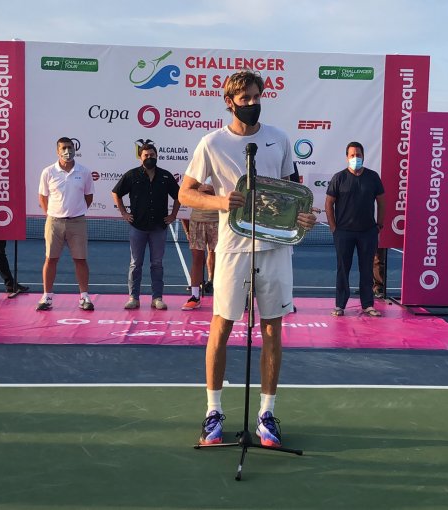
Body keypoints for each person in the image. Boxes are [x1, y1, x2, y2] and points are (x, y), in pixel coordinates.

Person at [180, 69, 317, 448]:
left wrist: (306, 216)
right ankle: (213, 411)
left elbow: (294, 192)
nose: (253, 104)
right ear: (230, 102)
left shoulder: (279, 139)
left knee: (272, 328)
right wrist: (220, 202)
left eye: (257, 98)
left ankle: (267, 413)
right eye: (245, 100)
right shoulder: (211, 143)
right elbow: (186, 194)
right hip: (232, 249)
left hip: (275, 249)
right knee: (221, 327)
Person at [112, 141, 180, 311]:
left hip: (159, 228)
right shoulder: (132, 175)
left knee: (157, 264)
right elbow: (116, 193)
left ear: (157, 156)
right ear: (140, 157)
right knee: (135, 264)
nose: (149, 158)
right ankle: (133, 298)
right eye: (146, 155)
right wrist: (123, 213)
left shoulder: (165, 176)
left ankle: (157, 298)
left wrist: (173, 215)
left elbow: (179, 196)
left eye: (152, 155)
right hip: (137, 227)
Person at [325, 141, 385, 317]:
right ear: (347, 158)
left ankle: (368, 305)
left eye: (358, 155)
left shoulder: (373, 177)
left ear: (363, 157)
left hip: (368, 233)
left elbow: (382, 201)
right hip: (343, 233)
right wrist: (334, 228)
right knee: (343, 268)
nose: (355, 158)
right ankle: (340, 305)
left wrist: (379, 225)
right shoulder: (339, 178)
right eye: (352, 155)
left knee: (366, 268)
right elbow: (329, 204)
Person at [36, 137, 95, 312]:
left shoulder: (84, 172)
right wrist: (51, 214)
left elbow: (88, 197)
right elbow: (43, 196)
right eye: (63, 148)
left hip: (77, 222)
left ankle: (84, 297)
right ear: (57, 151)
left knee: (80, 259)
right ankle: (47, 296)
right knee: (50, 259)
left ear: (74, 148)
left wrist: (76, 211)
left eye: (70, 147)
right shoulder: (48, 172)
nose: (67, 151)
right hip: (54, 222)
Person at [182, 181, 219, 311]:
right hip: (196, 221)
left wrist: (206, 192)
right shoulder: (194, 174)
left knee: (221, 259)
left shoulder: (221, 170)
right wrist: (186, 229)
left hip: (218, 221)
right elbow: (186, 196)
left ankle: (222, 296)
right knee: (197, 259)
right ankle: (194, 297)